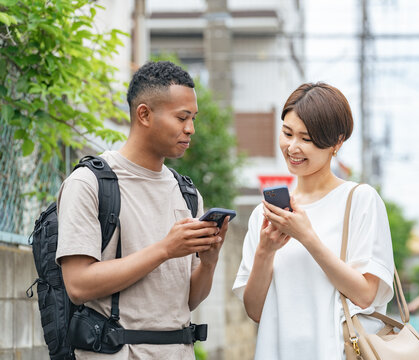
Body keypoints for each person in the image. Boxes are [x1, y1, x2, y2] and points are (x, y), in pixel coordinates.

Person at [56, 61, 228, 359]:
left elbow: (189, 300)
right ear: (144, 114)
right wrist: (165, 249)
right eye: (182, 117)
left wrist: (209, 263)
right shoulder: (89, 183)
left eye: (193, 118)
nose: (191, 129)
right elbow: (78, 284)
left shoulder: (186, 193)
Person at [232, 82, 395, 360]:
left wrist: (306, 236)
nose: (293, 147)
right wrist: (265, 250)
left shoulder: (359, 200)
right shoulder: (266, 213)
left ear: (337, 142)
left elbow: (366, 295)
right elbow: (255, 311)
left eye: (306, 139)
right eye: (287, 133)